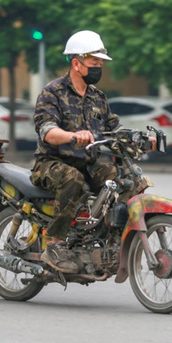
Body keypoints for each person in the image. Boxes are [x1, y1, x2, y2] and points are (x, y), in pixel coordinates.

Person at [30, 30, 121, 273]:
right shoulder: (53, 92)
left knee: (119, 177)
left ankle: (108, 237)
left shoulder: (97, 97)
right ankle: (56, 244)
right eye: (94, 63)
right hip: (51, 164)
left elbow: (114, 129)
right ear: (76, 63)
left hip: (87, 162)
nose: (98, 68)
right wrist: (72, 136)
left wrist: (142, 139)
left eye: (100, 63)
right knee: (73, 178)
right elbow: (47, 131)